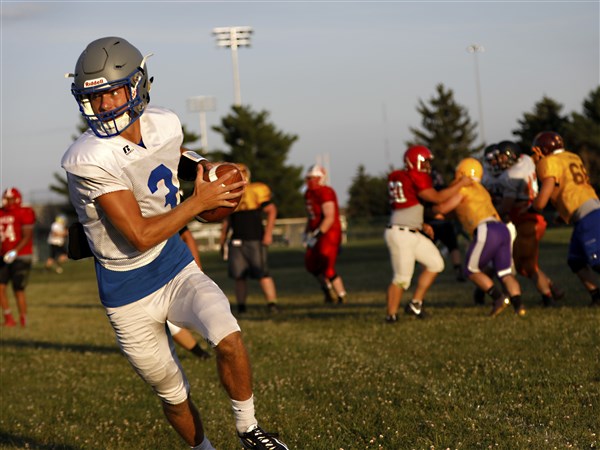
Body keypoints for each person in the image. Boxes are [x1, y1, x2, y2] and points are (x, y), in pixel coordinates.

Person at [61, 37, 288, 449]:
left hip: (174, 265)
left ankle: (250, 431)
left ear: (138, 85)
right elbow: (139, 235)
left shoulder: (163, 122)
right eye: (96, 98)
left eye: (113, 91)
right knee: (173, 393)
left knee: (229, 336)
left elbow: (172, 154)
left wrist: (209, 168)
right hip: (126, 289)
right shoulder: (88, 157)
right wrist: (200, 201)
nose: (107, 105)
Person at [384, 145, 472, 322]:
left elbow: (408, 205)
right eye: (425, 162)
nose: (427, 166)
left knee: (435, 263)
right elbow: (437, 198)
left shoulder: (402, 176)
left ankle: (415, 304)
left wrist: (421, 223)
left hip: (411, 230)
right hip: (401, 234)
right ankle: (391, 315)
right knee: (402, 279)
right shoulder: (414, 176)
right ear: (415, 161)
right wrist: (461, 184)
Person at [433, 158, 526, 317]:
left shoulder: (464, 189)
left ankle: (498, 297)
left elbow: (442, 208)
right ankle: (519, 307)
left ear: (461, 173)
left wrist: (428, 211)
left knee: (470, 269)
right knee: (505, 273)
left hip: (486, 229)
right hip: (501, 228)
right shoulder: (482, 189)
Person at [487, 140, 564, 307]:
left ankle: (548, 297)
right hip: (530, 222)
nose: (500, 161)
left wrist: (486, 210)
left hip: (528, 222)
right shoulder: (526, 161)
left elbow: (506, 206)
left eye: (502, 157)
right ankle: (551, 289)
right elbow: (532, 159)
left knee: (528, 266)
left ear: (512, 157)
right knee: (523, 266)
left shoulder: (511, 176)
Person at [531, 131, 600, 308]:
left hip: (586, 215)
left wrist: (531, 206)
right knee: (575, 260)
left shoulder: (548, 162)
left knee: (597, 260)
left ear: (545, 149)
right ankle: (596, 295)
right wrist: (564, 214)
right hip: (589, 208)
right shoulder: (571, 157)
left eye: (538, 150)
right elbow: (569, 186)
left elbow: (542, 200)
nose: (536, 154)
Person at [220, 164, 279, 315]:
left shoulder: (256, 190)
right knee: (239, 276)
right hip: (236, 239)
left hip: (254, 238)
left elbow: (271, 210)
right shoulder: (230, 193)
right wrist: (222, 240)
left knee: (262, 273)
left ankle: (272, 304)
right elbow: (227, 220)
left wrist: (268, 233)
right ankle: (241, 307)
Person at [303, 164, 348, 304]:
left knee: (327, 267)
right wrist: (307, 231)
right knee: (311, 264)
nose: (310, 181)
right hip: (316, 233)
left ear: (321, 178)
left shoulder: (326, 192)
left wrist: (317, 234)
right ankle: (327, 289)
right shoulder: (308, 193)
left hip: (329, 234)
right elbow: (311, 216)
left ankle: (341, 296)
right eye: (309, 178)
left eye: (313, 178)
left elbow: (329, 216)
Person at [0, 187, 36, 328]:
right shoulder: (1, 212)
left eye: (9, 199)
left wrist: (15, 251)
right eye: (5, 198)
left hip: (21, 256)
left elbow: (27, 236)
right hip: (3, 256)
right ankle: (8, 317)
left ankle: (23, 318)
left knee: (18, 289)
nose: (6, 201)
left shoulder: (24, 212)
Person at [424, 168, 466, 282]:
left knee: (425, 247)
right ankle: (458, 270)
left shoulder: (427, 192)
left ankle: (425, 270)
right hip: (444, 223)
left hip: (431, 224)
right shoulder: (445, 190)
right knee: (453, 247)